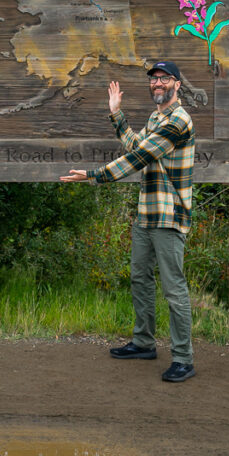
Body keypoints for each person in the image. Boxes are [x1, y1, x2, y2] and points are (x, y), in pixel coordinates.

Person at [60, 61, 196, 382]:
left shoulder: (179, 120)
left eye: (163, 79)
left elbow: (138, 159)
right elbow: (137, 146)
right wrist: (117, 114)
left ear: (177, 84)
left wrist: (93, 175)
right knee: (140, 278)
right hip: (146, 213)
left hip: (168, 216)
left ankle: (183, 359)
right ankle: (144, 342)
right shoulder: (156, 117)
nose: (157, 84)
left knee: (174, 289)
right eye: (153, 80)